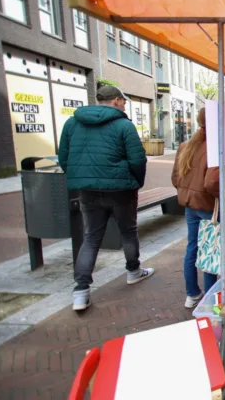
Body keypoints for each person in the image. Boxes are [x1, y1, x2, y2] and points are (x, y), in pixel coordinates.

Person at [58, 85, 153, 311]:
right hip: (121, 191)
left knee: (90, 238)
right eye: (124, 101)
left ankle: (81, 292)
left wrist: (82, 178)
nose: (125, 105)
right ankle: (133, 271)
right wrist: (135, 181)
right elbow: (138, 159)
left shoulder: (72, 123)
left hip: (88, 192)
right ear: (117, 101)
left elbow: (64, 157)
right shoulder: (124, 125)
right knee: (128, 232)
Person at [172, 108, 225, 308]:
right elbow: (211, 183)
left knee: (192, 247)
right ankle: (210, 296)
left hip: (190, 205)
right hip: (209, 207)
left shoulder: (185, 146)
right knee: (210, 249)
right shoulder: (215, 148)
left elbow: (175, 178)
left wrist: (189, 192)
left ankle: (192, 293)